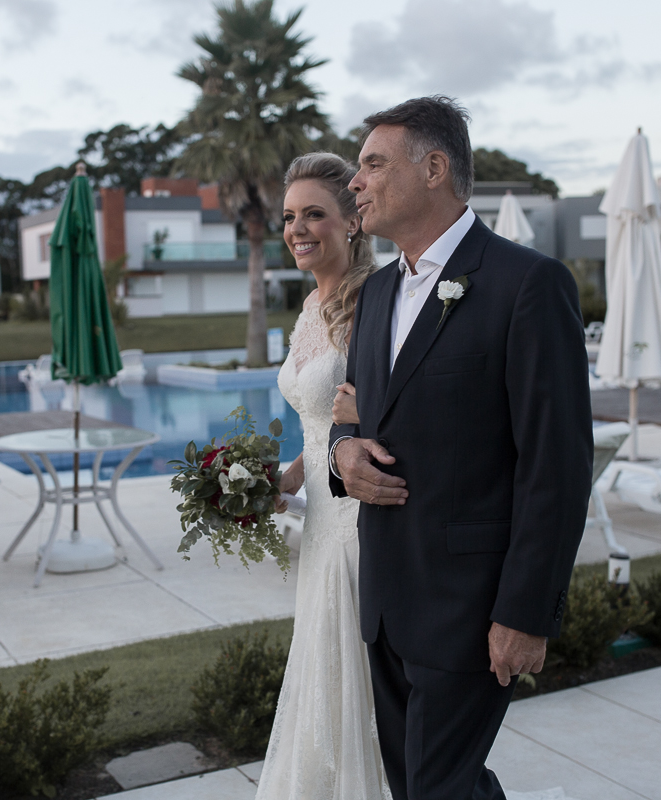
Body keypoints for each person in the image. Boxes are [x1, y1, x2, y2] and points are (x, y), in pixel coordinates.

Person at [329, 96, 593, 800]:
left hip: (472, 608)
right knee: (422, 782)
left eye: (373, 164)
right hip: (385, 598)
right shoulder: (378, 291)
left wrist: (525, 612)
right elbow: (350, 405)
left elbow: (557, 464)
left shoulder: (527, 284)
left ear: (435, 168)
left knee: (437, 788)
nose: (355, 182)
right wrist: (341, 453)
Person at [257, 152, 392, 799]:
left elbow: (383, 417)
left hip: (357, 525)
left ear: (352, 222)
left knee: (354, 678)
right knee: (320, 668)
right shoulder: (312, 306)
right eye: (289, 216)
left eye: (314, 214)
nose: (298, 228)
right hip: (316, 522)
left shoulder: (378, 302)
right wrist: (282, 479)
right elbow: (322, 426)